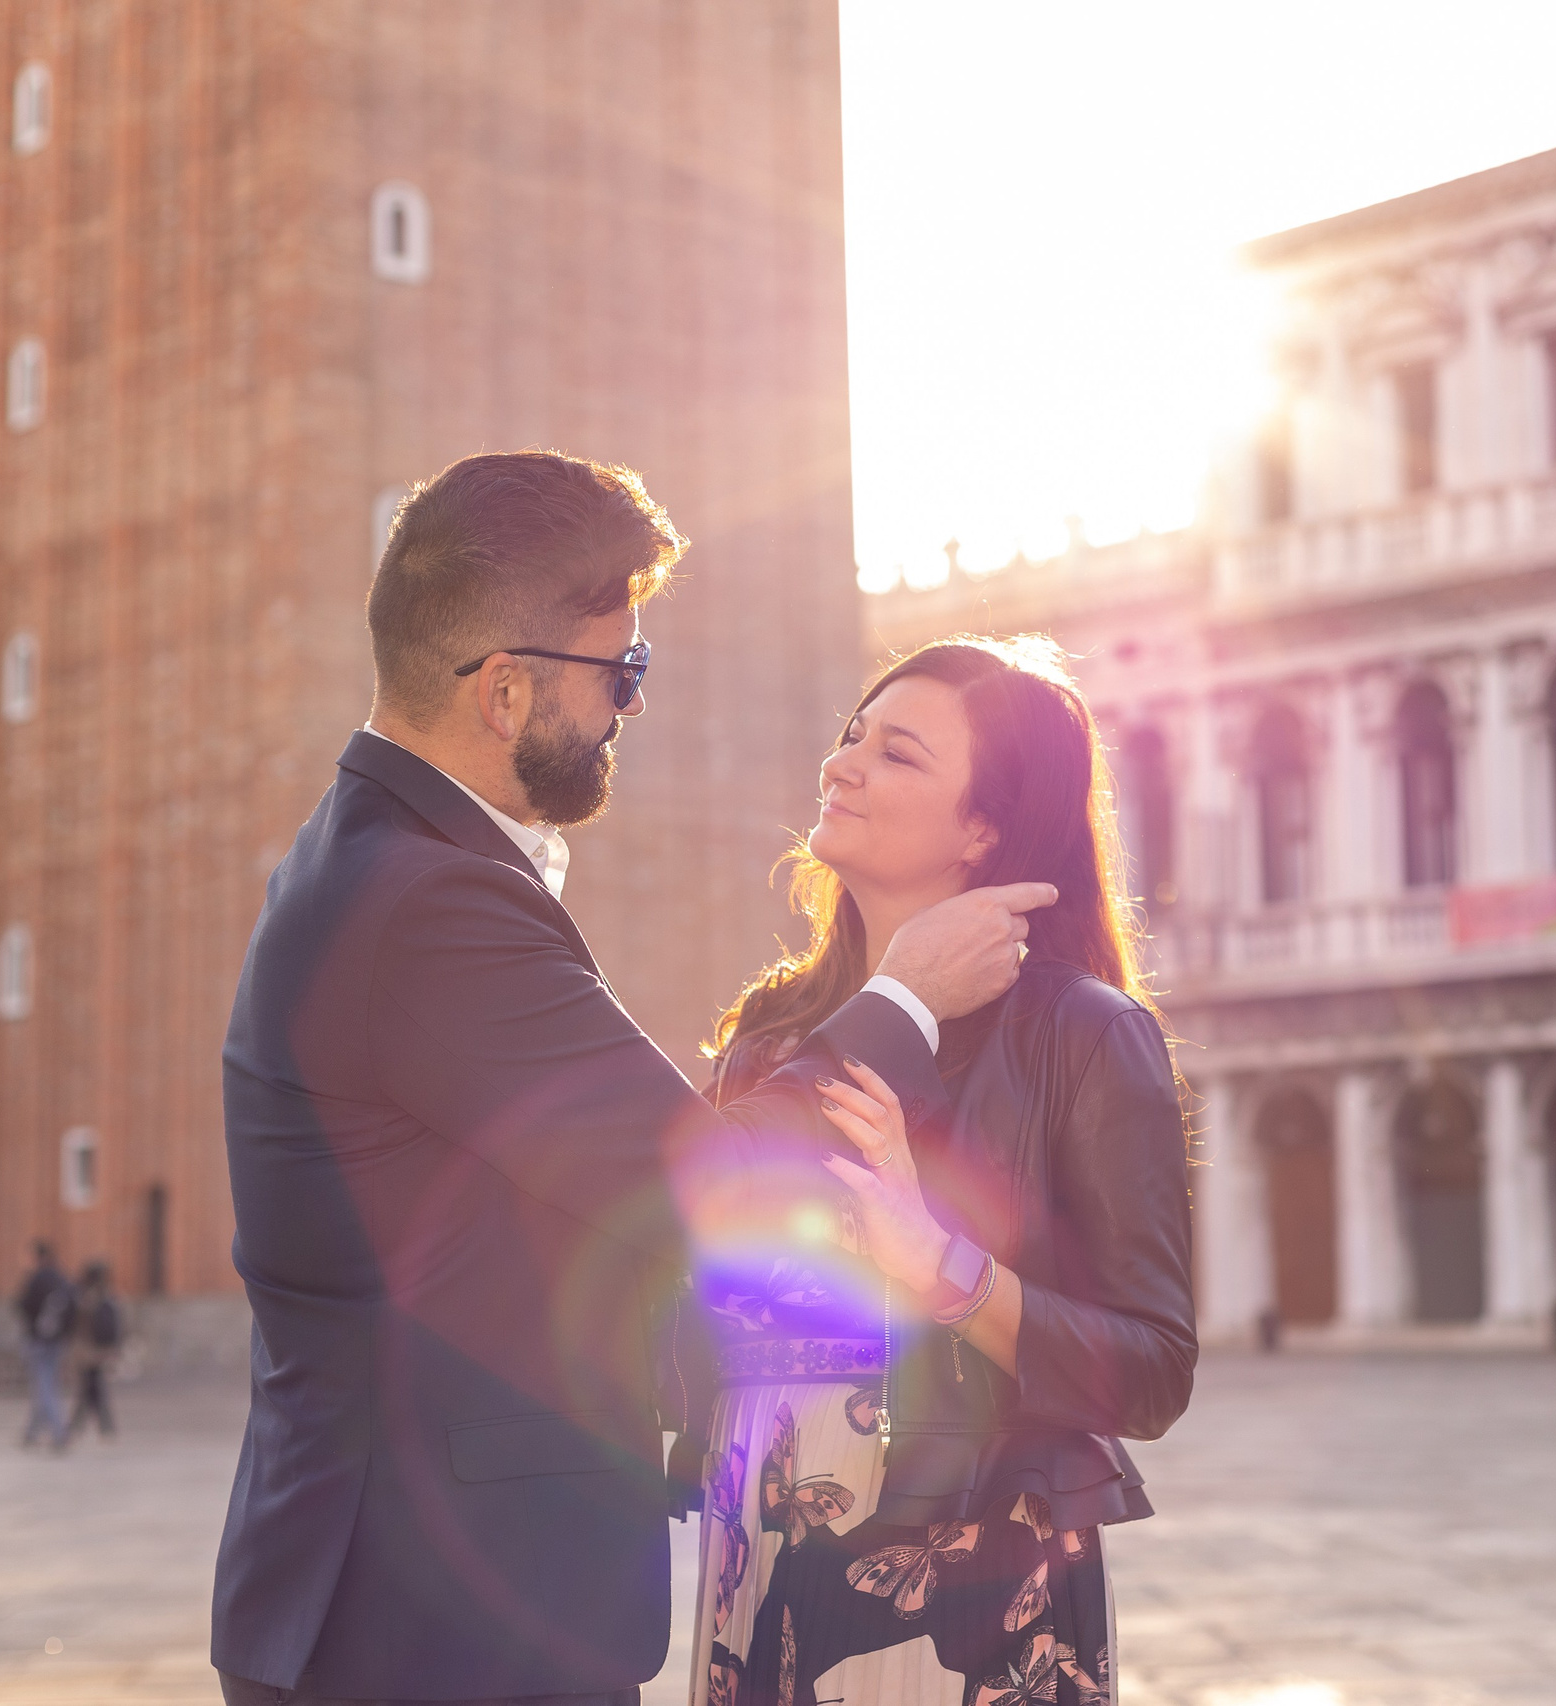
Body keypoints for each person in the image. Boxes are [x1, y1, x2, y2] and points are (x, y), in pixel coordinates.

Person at [212, 451, 1054, 1706]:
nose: (634, 705)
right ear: (504, 692)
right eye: (624, 671)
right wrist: (909, 997)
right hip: (435, 1625)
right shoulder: (435, 900)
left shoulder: (364, 853)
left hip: (390, 1598)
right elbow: (706, 1188)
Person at [689, 637, 1196, 1706]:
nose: (844, 763)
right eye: (849, 735)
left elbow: (1151, 1368)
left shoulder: (1086, 1034)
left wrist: (945, 1273)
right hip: (762, 1547)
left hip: (971, 1576)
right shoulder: (774, 1036)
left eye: (898, 753)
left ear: (986, 828)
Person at [15, 1239, 75, 1451]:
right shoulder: (61, 1277)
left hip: (39, 1340)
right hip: (58, 1340)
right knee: (45, 1385)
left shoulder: (37, 1278)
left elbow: (22, 1305)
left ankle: (59, 1433)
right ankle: (31, 1433)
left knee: (44, 1388)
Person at [68, 1259, 123, 1440]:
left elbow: (78, 1323)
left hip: (87, 1351)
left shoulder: (83, 1296)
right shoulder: (107, 1295)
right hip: (100, 1351)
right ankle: (103, 1427)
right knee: (94, 1388)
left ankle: (80, 1426)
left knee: (90, 1389)